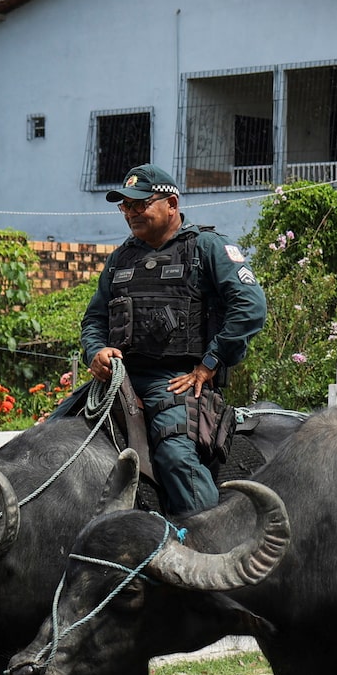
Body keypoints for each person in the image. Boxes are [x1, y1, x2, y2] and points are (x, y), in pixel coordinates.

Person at [81, 164, 267, 516]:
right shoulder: (121, 257)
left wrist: (211, 362)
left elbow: (251, 306)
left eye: (140, 204)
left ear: (171, 203)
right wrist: (96, 350)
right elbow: (95, 319)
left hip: (175, 383)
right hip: (119, 381)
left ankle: (208, 543)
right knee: (53, 433)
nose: (131, 213)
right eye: (125, 206)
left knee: (175, 457)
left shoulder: (207, 248)